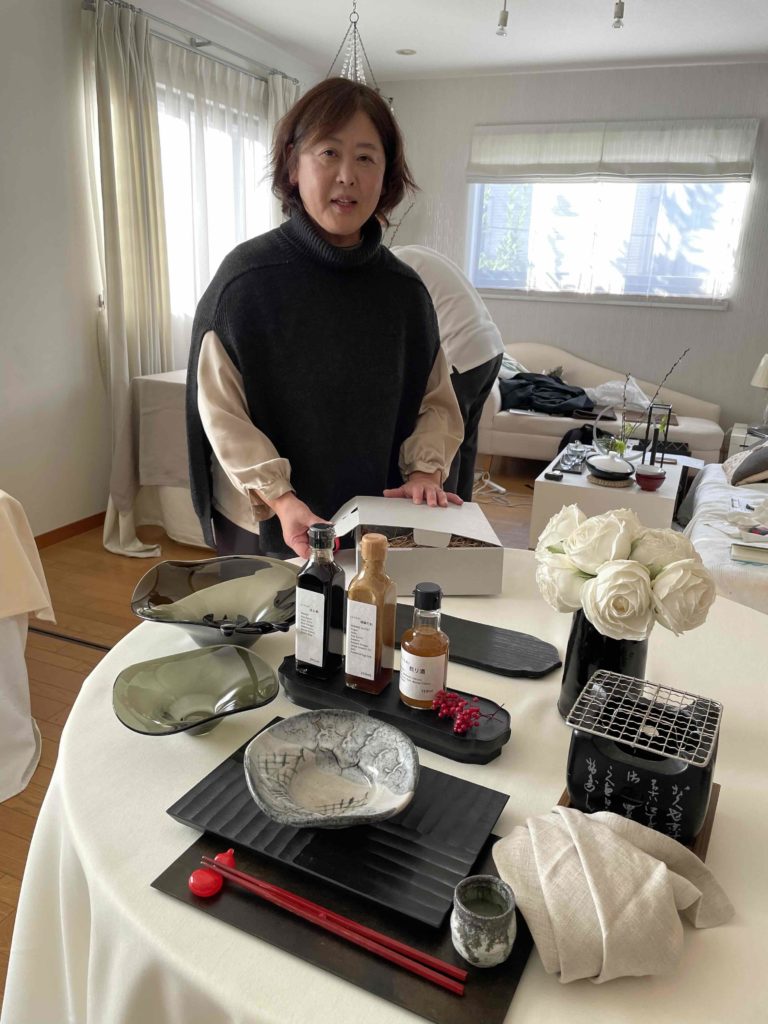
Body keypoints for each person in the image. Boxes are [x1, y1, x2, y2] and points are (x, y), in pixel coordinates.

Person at [186, 78, 463, 560]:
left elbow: (435, 401)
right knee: (271, 612)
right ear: (293, 164)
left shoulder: (405, 293)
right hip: (268, 522)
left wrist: (424, 471)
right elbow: (221, 411)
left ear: (387, 176)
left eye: (366, 157)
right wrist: (281, 498)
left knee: (363, 611)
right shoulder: (246, 282)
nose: (347, 176)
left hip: (372, 523)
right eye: (329, 153)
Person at [391, 246, 504, 501]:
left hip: (459, 352)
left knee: (443, 443)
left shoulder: (394, 268)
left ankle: (441, 513)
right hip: (489, 348)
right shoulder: (413, 254)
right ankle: (462, 515)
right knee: (463, 439)